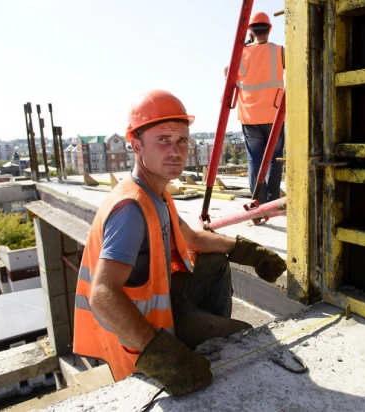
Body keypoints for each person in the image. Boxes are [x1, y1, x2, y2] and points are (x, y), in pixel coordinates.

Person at [72, 90, 287, 396]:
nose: (175, 150)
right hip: (141, 334)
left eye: (182, 140)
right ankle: (186, 352)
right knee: (244, 337)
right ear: (136, 145)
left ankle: (203, 341)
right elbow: (103, 295)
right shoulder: (131, 208)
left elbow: (192, 238)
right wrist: (167, 361)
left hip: (168, 306)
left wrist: (247, 251)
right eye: (163, 140)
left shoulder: (157, 193)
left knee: (212, 263)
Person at [227, 11, 285, 206]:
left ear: (251, 30)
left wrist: (244, 49)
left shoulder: (242, 54)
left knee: (255, 159)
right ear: (269, 29)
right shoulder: (279, 51)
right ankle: (273, 199)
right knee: (274, 159)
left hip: (250, 117)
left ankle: (257, 200)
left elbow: (227, 74)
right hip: (274, 114)